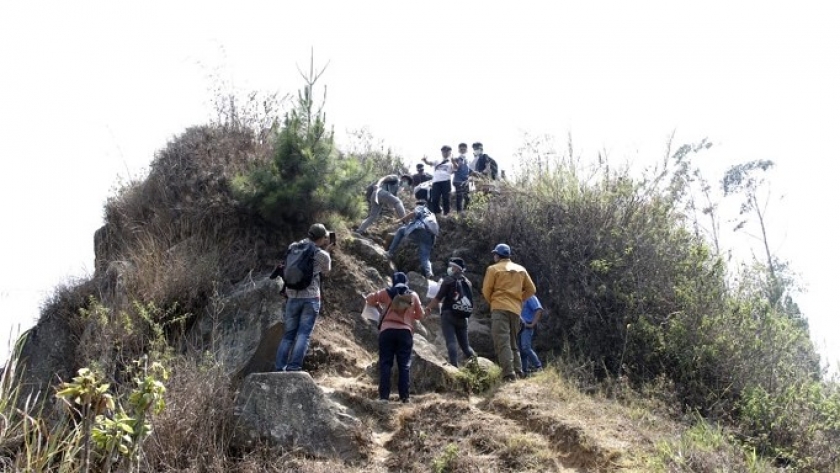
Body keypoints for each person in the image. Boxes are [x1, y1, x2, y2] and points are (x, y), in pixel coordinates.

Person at [275, 223, 334, 372]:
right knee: (303, 334)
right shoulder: (322, 254)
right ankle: (294, 367)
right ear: (322, 238)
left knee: (288, 335)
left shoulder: (293, 246)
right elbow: (326, 272)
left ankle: (279, 367)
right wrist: (327, 251)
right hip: (310, 298)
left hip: (292, 296)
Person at [366, 272, 424, 403]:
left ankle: (384, 397)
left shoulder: (386, 292)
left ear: (393, 281)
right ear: (406, 282)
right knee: (404, 365)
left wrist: (378, 304)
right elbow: (420, 315)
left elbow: (369, 299)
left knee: (386, 363)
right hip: (405, 333)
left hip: (387, 332)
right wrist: (409, 314)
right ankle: (405, 397)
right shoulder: (413, 295)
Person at [482, 243, 536, 382]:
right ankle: (518, 371)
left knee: (502, 341)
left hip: (499, 308)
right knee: (513, 342)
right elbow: (532, 290)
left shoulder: (493, 269)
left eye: (495, 254)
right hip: (516, 310)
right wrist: (518, 299)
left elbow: (486, 290)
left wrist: (494, 302)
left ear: (497, 255)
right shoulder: (521, 270)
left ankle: (508, 374)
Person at [425, 257, 476, 367]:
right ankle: (478, 364)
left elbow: (438, 297)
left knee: (451, 342)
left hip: (449, 315)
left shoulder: (449, 280)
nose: (449, 268)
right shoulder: (468, 282)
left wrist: (428, 307)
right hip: (463, 317)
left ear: (455, 268)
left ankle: (454, 366)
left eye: (451, 266)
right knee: (466, 347)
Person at [387, 199, 438, 278]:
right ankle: (429, 273)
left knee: (400, 231)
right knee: (425, 257)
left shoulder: (421, 207)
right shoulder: (431, 214)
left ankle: (390, 252)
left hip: (421, 229)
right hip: (429, 236)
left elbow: (414, 213)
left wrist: (400, 220)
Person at [422, 145, 454, 216]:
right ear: (442, 152)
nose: (445, 153)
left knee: (446, 198)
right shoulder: (437, 161)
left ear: (450, 152)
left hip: (446, 181)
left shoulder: (451, 162)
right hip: (436, 182)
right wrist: (425, 161)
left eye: (447, 151)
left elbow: (455, 169)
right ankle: (437, 213)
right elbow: (429, 163)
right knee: (435, 198)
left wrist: (454, 162)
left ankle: (446, 214)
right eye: (444, 151)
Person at [519, 294, 544, 374]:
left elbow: (539, 309)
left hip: (527, 326)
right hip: (518, 327)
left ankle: (538, 367)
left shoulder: (529, 296)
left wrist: (532, 324)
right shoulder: (517, 296)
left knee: (525, 347)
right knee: (521, 350)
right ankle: (524, 371)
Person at [452, 143, 471, 214]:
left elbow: (469, 170)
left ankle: (466, 213)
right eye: (461, 148)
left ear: (466, 150)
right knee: (459, 198)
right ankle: (459, 213)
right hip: (458, 181)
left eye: (464, 148)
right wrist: (455, 164)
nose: (462, 150)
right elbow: (454, 168)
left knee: (467, 198)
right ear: (458, 150)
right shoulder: (456, 159)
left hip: (466, 181)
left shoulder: (468, 160)